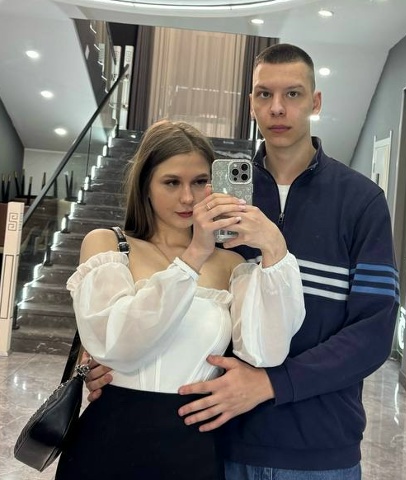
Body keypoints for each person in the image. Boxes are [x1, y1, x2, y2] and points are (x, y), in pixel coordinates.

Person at [86, 44, 399, 479]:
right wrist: (111, 360)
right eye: (264, 94)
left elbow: (374, 332)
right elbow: (164, 290)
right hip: (220, 440)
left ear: (315, 101)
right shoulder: (214, 198)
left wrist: (272, 383)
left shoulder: (361, 201)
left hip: (320, 445)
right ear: (250, 103)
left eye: (292, 94)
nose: (277, 108)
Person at [55, 119, 305, 480]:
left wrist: (274, 248)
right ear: (146, 186)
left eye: (200, 182)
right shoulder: (108, 245)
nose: (188, 198)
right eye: (171, 182)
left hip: (193, 446)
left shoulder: (232, 265)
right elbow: (117, 344)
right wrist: (195, 255)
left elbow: (267, 352)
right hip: (108, 439)